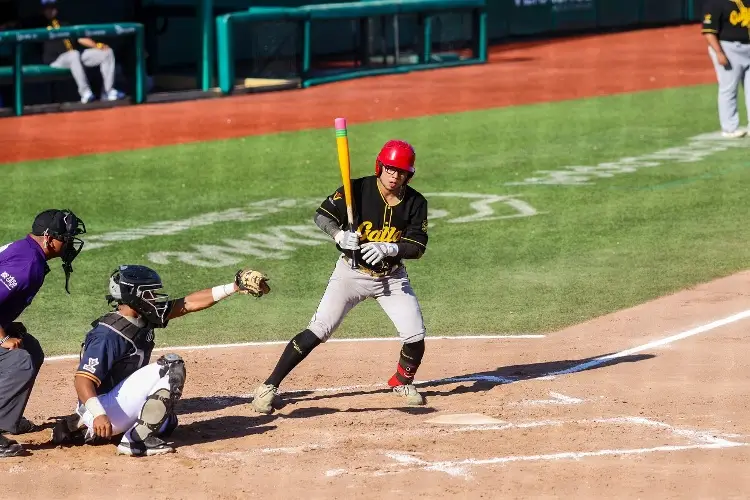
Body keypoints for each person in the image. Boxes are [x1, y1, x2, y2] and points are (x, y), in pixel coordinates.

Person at [249, 139, 430, 415]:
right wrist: (338, 235)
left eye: (401, 172)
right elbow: (321, 216)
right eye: (390, 169)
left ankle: (402, 381)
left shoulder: (416, 202)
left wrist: (390, 247)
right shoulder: (356, 189)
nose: (395, 176)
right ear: (380, 167)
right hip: (351, 273)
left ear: (409, 174)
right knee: (319, 329)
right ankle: (268, 386)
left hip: (391, 278)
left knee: (415, 335)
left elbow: (418, 247)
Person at [51, 265, 270, 457]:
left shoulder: (142, 316)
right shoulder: (108, 335)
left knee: (166, 421)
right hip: (103, 410)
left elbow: (187, 303)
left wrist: (233, 287)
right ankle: (134, 442)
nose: (155, 298)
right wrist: (98, 415)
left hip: (115, 406)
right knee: (171, 367)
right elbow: (82, 381)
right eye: (150, 294)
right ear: (134, 296)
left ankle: (85, 427)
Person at [0, 208, 86, 458]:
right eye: (66, 239)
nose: (70, 244)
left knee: (30, 348)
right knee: (19, 359)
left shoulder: (26, 251)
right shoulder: (27, 264)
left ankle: (7, 419)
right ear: (49, 237)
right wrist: (3, 338)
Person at [19, 0, 125, 103]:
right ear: (42, 10)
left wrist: (96, 45)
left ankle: (108, 91)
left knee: (106, 52)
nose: (51, 10)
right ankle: (85, 93)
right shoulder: (38, 23)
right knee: (73, 55)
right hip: (54, 61)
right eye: (48, 8)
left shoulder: (63, 21)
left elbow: (79, 37)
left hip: (73, 57)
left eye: (53, 7)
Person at [702, 0, 750, 138]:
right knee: (728, 88)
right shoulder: (716, 3)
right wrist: (719, 53)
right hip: (728, 48)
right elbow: (708, 32)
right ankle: (729, 128)